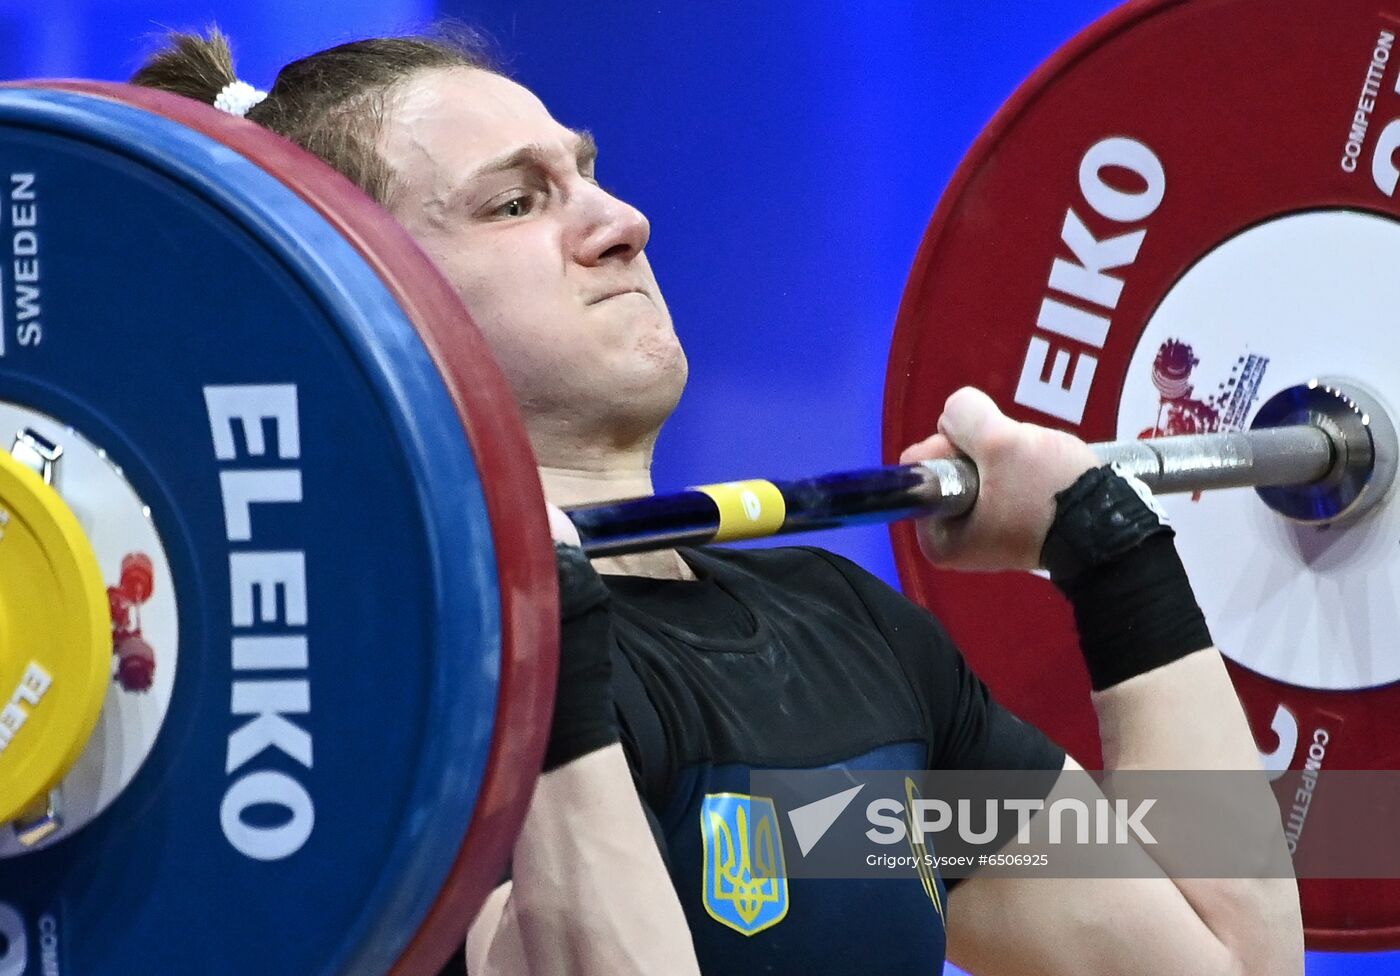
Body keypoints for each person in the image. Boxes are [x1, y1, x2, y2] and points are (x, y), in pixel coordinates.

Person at [133, 28, 1304, 976]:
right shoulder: (359, 704)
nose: (619, 221)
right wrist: (530, 630)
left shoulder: (845, 638)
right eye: (515, 202)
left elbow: (1229, 966)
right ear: (361, 293)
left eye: (585, 171)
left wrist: (1109, 550)